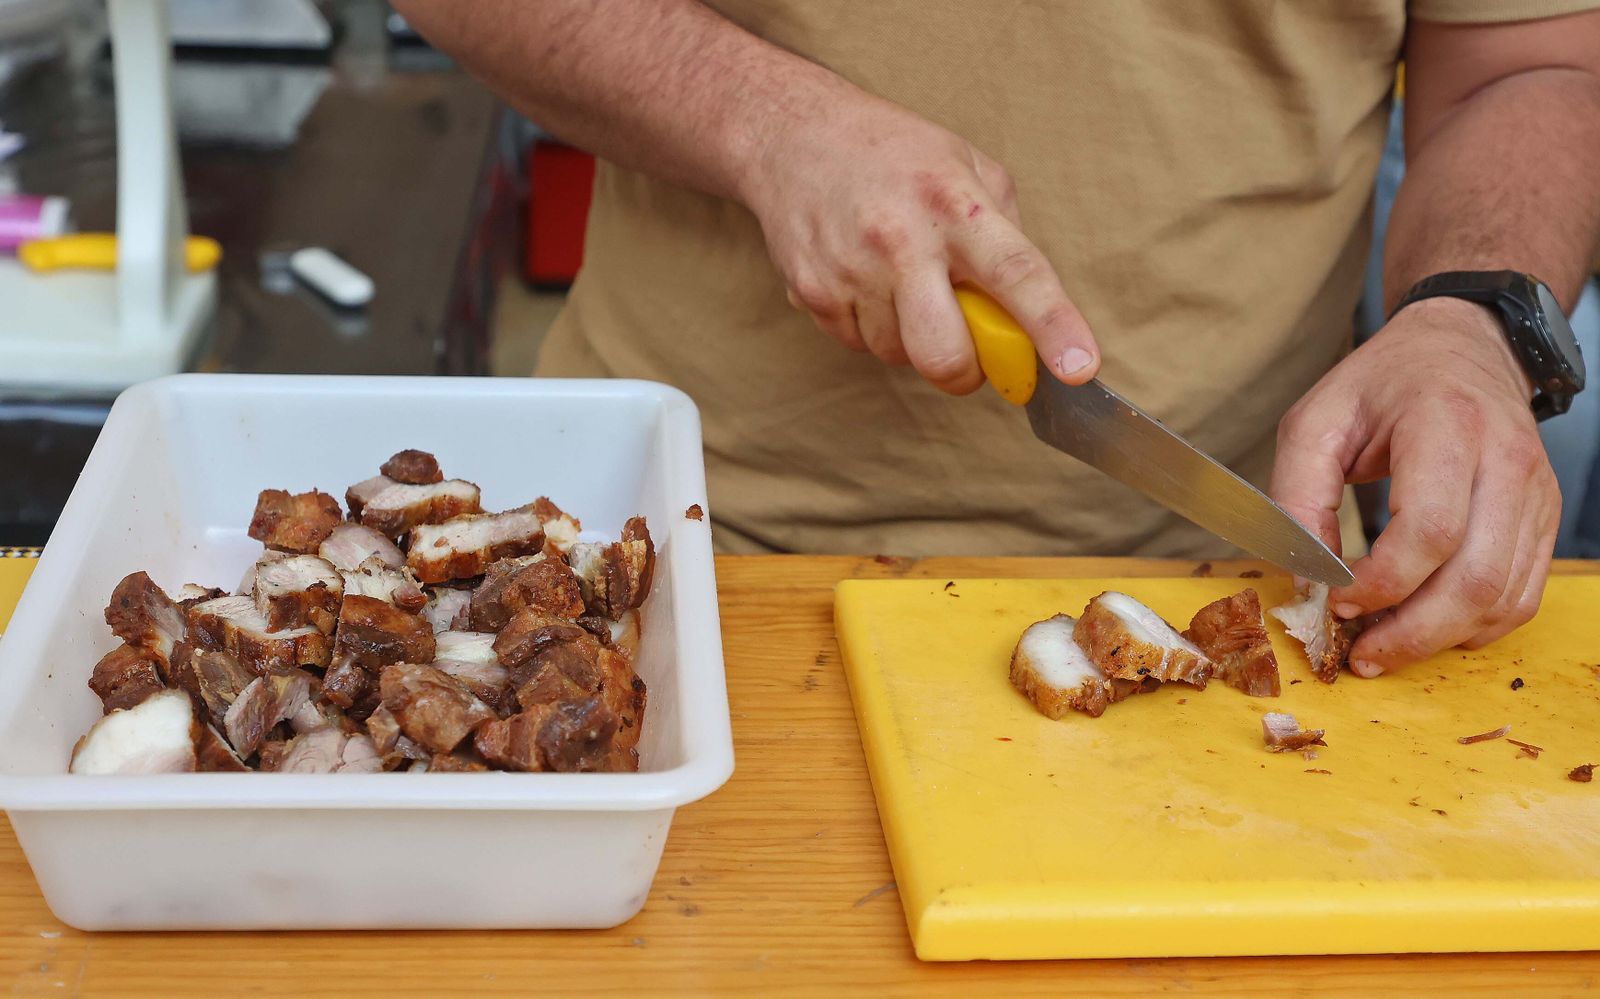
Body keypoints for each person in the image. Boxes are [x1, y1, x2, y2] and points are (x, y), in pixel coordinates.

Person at [395, 1, 1600, 677]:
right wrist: (760, 122)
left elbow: (1531, 62)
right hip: (663, 563)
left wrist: (1471, 318)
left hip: (1243, 588)